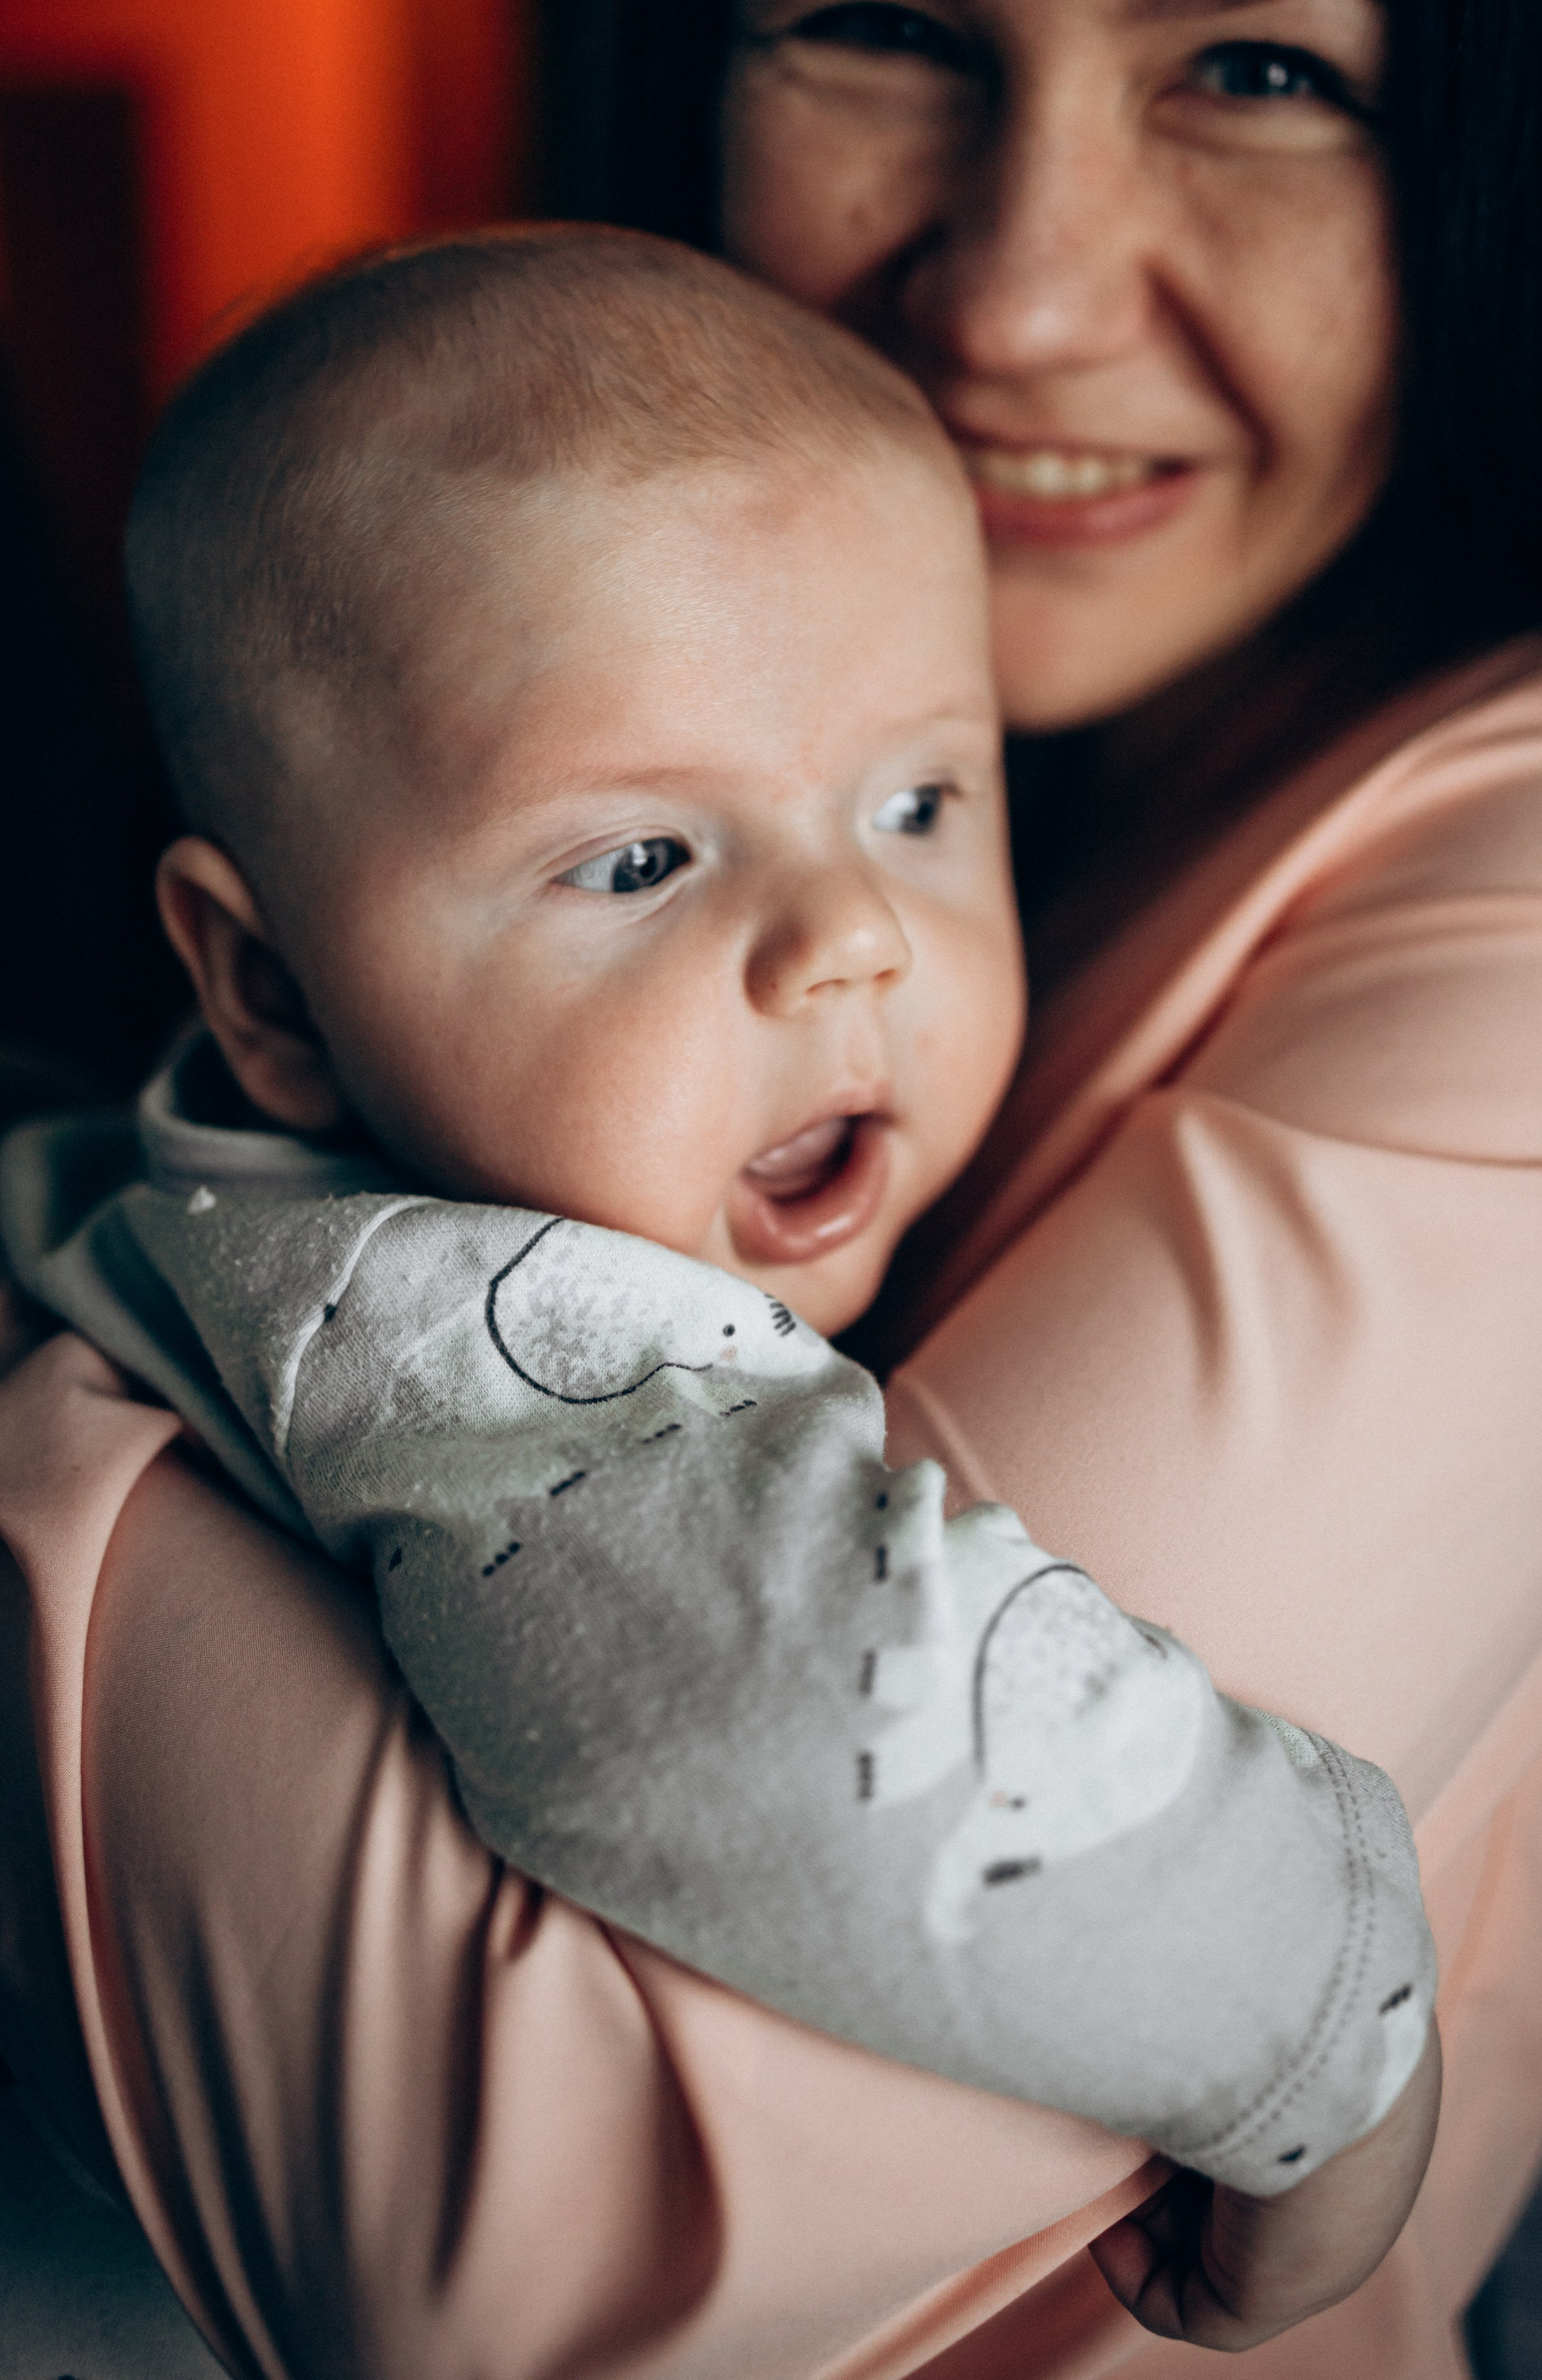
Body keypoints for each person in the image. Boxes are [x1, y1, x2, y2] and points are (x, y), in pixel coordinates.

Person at [2, 0, 1542, 2372]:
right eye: (881, 31)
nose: (1021, 294)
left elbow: (530, 2253)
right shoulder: (518, 872)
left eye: (1268, 68)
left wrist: (62, 1447)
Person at [2, 225, 1437, 2295]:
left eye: (920, 798)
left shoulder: (154, 1181)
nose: (846, 937)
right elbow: (840, 1741)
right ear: (271, 994)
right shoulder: (474, 1330)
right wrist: (1331, 2038)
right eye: (645, 858)